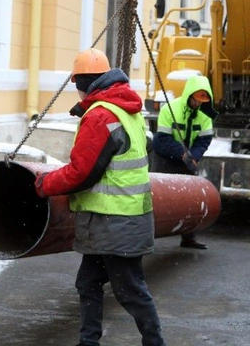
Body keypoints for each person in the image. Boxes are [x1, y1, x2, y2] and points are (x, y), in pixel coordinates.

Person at [34, 48, 166, 346]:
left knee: (130, 289)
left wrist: (44, 184)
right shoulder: (126, 110)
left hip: (115, 221)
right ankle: (88, 342)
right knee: (89, 282)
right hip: (119, 218)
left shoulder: (100, 115)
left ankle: (155, 343)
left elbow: (82, 172)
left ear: (81, 82)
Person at [150, 74, 216, 250]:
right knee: (157, 199)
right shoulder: (170, 109)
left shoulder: (204, 115)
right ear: (189, 95)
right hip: (165, 157)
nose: (198, 104)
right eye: (195, 100)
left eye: (201, 101)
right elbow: (161, 140)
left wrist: (193, 156)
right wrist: (182, 154)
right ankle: (147, 237)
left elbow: (204, 140)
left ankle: (188, 237)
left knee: (191, 200)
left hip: (186, 158)